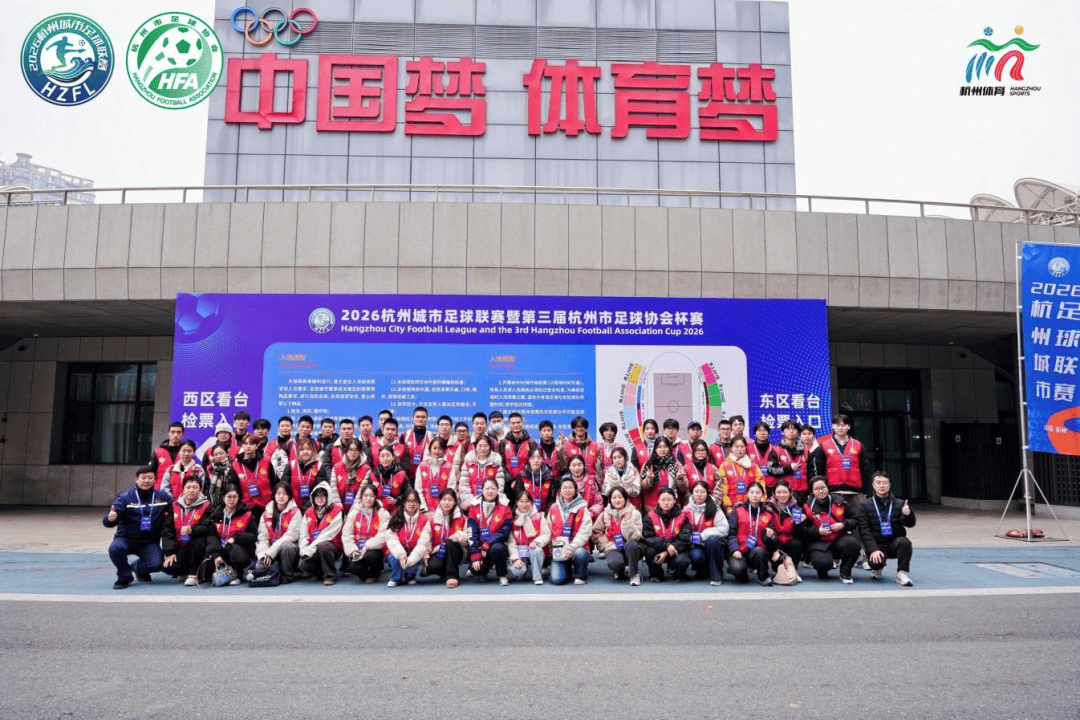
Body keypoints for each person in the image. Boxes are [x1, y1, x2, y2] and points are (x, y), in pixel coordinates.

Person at [105, 466, 170, 589]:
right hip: (126, 538)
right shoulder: (125, 497)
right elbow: (109, 522)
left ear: (155, 480)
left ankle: (138, 569)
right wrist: (110, 519)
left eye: (150, 478)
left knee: (156, 564)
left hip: (149, 541)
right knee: (115, 549)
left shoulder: (162, 497)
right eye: (143, 478)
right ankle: (124, 576)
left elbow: (176, 509)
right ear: (136, 479)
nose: (146, 481)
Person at [856, 471, 916, 586]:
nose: (881, 485)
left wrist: (908, 514)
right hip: (877, 544)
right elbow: (864, 530)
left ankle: (902, 573)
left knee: (905, 542)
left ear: (889, 484)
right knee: (875, 563)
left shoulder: (899, 503)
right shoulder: (865, 505)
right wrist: (873, 549)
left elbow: (910, 524)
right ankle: (877, 568)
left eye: (884, 483)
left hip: (894, 543)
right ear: (873, 485)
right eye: (878, 483)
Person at [803, 477, 860, 584]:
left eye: (823, 487)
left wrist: (843, 524)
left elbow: (854, 519)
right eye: (817, 489)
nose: (820, 491)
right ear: (812, 491)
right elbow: (804, 529)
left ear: (828, 487)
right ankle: (822, 569)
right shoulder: (807, 506)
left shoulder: (840, 501)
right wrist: (817, 531)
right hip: (819, 541)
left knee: (853, 544)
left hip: (839, 537)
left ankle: (845, 573)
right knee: (822, 564)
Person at [160, 476, 213, 586]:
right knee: (169, 567)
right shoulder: (175, 506)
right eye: (188, 487)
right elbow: (167, 530)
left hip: (198, 546)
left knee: (198, 540)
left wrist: (193, 530)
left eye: (195, 487)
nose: (191, 490)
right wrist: (170, 552)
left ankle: (193, 574)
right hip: (180, 545)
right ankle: (184, 571)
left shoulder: (207, 505)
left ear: (200, 490)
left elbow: (208, 527)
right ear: (183, 489)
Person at [726, 481, 776, 585]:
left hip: (756, 550)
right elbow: (731, 533)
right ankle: (739, 571)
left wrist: (769, 537)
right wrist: (735, 549)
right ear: (747, 494)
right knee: (739, 571)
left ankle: (764, 577)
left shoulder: (768, 513)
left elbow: (769, 542)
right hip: (739, 549)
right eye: (752, 492)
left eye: (758, 492)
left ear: (762, 495)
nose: (755, 495)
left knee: (760, 552)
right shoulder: (737, 510)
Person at [466, 478, 514, 586]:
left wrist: (488, 543)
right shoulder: (474, 507)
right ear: (482, 490)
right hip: (480, 545)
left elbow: (504, 532)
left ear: (498, 490)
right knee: (477, 571)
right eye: (487, 488)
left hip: (496, 544)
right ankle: (483, 569)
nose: (490, 491)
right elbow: (472, 533)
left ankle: (502, 575)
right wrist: (475, 554)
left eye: (493, 488)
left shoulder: (505, 507)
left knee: (498, 549)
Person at [592, 486, 644, 585]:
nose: (617, 500)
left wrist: (628, 521)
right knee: (615, 563)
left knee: (632, 544)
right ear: (610, 500)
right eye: (614, 498)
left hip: (631, 546)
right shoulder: (605, 514)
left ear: (625, 499)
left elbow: (636, 537)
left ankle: (634, 575)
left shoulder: (634, 513)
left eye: (620, 497)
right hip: (613, 546)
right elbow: (596, 532)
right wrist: (606, 544)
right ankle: (619, 570)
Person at [205, 484, 255, 584]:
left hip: (238, 548)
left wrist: (236, 538)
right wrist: (216, 555)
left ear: (238, 498)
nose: (232, 499)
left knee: (233, 550)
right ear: (223, 498)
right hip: (220, 547)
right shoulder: (216, 515)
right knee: (207, 551)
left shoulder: (246, 513)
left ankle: (238, 575)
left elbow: (254, 536)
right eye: (229, 496)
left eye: (235, 497)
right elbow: (212, 536)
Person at [547, 476, 593, 585]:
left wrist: (571, 547)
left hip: (577, 547)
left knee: (580, 553)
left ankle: (580, 573)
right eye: (565, 488)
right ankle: (566, 567)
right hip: (559, 548)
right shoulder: (553, 508)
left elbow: (585, 532)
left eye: (570, 488)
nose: (567, 490)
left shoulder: (582, 508)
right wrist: (551, 546)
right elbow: (548, 529)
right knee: (557, 580)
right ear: (560, 490)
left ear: (575, 490)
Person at [297, 481, 344, 585]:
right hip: (312, 546)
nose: (320, 498)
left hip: (331, 546)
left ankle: (330, 576)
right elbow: (303, 534)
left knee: (323, 546)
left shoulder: (337, 511)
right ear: (313, 498)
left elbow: (328, 535)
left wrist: (310, 549)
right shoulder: (308, 512)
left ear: (328, 497)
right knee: (303, 565)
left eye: (323, 495)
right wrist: (304, 550)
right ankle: (319, 573)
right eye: (317, 496)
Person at [819, 414, 872, 504]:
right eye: (837, 425)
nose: (841, 428)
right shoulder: (824, 445)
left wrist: (865, 491)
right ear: (832, 426)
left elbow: (865, 469)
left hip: (855, 491)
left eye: (843, 425)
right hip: (832, 491)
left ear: (849, 426)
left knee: (858, 513)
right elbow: (820, 469)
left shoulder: (858, 445)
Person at [683, 480, 729, 586]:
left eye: (702, 492)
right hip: (695, 545)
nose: (699, 495)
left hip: (712, 544)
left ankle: (716, 575)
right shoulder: (686, 510)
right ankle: (703, 570)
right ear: (692, 493)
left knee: (713, 540)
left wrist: (704, 534)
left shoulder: (714, 508)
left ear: (708, 493)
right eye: (696, 492)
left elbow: (724, 528)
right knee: (696, 556)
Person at [254, 482, 301, 583]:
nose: (281, 496)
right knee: (260, 566)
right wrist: (264, 555)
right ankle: (274, 572)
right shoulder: (266, 513)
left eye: (285, 493)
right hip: (270, 550)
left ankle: (286, 575)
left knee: (287, 546)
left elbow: (291, 536)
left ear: (289, 496)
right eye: (278, 493)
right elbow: (263, 538)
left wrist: (271, 552)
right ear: (274, 495)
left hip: (287, 552)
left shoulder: (295, 512)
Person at [642, 487, 692, 582]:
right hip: (658, 547)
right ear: (658, 501)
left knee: (682, 560)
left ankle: (678, 574)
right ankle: (656, 574)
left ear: (674, 501)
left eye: (669, 500)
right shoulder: (650, 516)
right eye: (663, 500)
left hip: (676, 549)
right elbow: (648, 537)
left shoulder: (683, 517)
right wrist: (666, 545)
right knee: (649, 551)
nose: (666, 503)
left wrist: (667, 551)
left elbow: (685, 539)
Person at [342, 483, 389, 584]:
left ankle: (374, 574)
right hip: (357, 549)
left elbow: (383, 536)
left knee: (371, 556)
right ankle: (362, 575)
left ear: (375, 498)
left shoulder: (382, 513)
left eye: (371, 496)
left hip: (374, 549)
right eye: (365, 496)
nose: (368, 499)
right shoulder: (354, 513)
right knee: (353, 567)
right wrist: (353, 550)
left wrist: (367, 546)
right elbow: (347, 535)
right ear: (361, 497)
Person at [385, 488, 430, 587]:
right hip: (398, 552)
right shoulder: (396, 516)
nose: (411, 504)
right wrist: (401, 555)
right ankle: (396, 577)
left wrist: (410, 560)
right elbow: (391, 539)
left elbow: (422, 544)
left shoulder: (424, 520)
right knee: (393, 557)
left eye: (414, 501)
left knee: (413, 566)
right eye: (408, 501)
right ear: (403, 502)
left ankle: (410, 576)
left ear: (418, 503)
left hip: (414, 552)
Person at [425, 488, 469, 588]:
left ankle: (453, 577)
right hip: (439, 550)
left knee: (450, 543)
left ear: (455, 502)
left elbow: (468, 535)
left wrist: (458, 536)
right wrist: (426, 555)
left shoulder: (462, 518)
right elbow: (427, 539)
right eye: (444, 499)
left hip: (457, 551)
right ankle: (445, 573)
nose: (446, 503)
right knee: (432, 566)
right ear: (440, 501)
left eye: (450, 500)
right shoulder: (432, 519)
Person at [232, 433, 277, 525]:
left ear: (257, 445)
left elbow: (274, 484)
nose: (248, 446)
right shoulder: (236, 465)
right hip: (246, 507)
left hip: (266, 506)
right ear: (242, 445)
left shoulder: (266, 462)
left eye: (252, 444)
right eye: (245, 444)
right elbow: (233, 487)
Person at [508, 490, 551, 585]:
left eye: (527, 501)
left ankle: (537, 576)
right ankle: (522, 569)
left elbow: (546, 534)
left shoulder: (539, 516)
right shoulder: (513, 520)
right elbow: (511, 542)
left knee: (535, 550)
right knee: (518, 572)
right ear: (516, 502)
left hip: (535, 551)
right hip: (520, 552)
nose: (524, 504)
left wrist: (536, 542)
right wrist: (516, 558)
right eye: (521, 501)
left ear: (531, 502)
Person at [767, 480, 807, 578]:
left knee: (796, 544)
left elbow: (800, 535)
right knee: (768, 543)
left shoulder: (797, 509)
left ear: (790, 493)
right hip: (775, 543)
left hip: (790, 542)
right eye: (778, 492)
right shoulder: (768, 509)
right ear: (774, 493)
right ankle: (776, 568)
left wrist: (799, 524)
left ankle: (793, 569)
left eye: (785, 492)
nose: (782, 495)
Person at [716, 436, 765, 513]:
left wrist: (760, 503)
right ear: (731, 448)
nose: (739, 449)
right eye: (736, 447)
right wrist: (728, 508)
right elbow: (722, 489)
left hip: (752, 507)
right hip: (732, 508)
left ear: (746, 448)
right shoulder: (724, 466)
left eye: (742, 446)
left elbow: (761, 485)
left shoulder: (753, 466)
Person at [456, 435, 505, 509]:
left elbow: (499, 486)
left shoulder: (496, 463)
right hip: (471, 503)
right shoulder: (468, 462)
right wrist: (471, 502)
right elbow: (464, 485)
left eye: (486, 446)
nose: (482, 449)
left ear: (490, 447)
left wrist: (489, 501)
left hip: (491, 504)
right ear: (475, 446)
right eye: (480, 446)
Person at [640, 437, 688, 511]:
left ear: (669, 448)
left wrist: (680, 479)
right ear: (655, 449)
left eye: (665, 447)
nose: (662, 450)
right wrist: (648, 480)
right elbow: (641, 487)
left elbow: (684, 489)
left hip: (672, 504)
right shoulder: (649, 465)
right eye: (659, 447)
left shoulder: (676, 464)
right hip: (653, 506)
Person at [283, 437, 331, 509]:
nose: (305, 452)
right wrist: (290, 504)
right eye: (302, 449)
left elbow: (320, 489)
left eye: (308, 449)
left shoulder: (319, 466)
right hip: (291, 506)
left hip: (312, 507)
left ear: (313, 451)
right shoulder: (291, 465)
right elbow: (284, 487)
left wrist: (308, 505)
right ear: (298, 451)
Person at [748, 421, 794, 493]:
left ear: (768, 434)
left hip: (772, 485)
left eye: (764, 431)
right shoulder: (748, 449)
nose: (762, 433)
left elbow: (780, 467)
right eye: (759, 431)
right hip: (754, 486)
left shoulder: (776, 449)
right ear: (754, 433)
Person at [332, 438, 371, 516]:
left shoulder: (366, 469)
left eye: (356, 450)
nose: (353, 453)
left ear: (360, 451)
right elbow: (333, 490)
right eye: (350, 450)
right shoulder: (337, 467)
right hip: (338, 509)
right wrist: (340, 511)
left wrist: (352, 513)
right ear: (346, 451)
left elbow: (361, 493)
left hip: (358, 510)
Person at [416, 437, 455, 512]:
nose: (437, 451)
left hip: (443, 510)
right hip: (425, 509)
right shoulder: (422, 466)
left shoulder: (449, 467)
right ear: (430, 450)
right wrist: (424, 508)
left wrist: (443, 509)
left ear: (444, 450)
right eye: (434, 448)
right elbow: (418, 489)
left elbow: (451, 489)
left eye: (440, 448)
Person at [499, 412, 536, 491]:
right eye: (513, 423)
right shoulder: (503, 443)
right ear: (509, 425)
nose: (516, 425)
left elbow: (534, 463)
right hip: (508, 484)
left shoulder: (531, 443)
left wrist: (520, 480)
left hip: (526, 482)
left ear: (522, 423)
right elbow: (501, 464)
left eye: (518, 422)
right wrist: (510, 480)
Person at [562, 415, 604, 479]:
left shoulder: (595, 445)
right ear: (573, 428)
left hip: (591, 480)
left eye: (582, 426)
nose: (580, 429)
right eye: (577, 426)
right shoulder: (566, 445)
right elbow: (563, 467)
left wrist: (597, 480)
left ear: (586, 428)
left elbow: (599, 467)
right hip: (572, 480)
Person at [371, 444, 408, 515]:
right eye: (382, 456)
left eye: (388, 455)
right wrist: (376, 501)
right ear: (379, 458)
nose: (385, 459)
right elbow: (368, 493)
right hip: (377, 510)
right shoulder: (374, 474)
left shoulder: (401, 474)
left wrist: (397, 500)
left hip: (397, 511)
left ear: (393, 457)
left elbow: (408, 493)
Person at [601, 446, 642, 510]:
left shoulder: (633, 470)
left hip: (632, 504)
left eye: (620, 457)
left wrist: (624, 490)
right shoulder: (609, 472)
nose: (617, 460)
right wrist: (616, 490)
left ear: (625, 457)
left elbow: (637, 489)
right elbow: (605, 490)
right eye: (614, 458)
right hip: (615, 504)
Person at [517, 447, 555, 514]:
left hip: (544, 513)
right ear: (529, 459)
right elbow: (519, 498)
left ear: (542, 459)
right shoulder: (522, 476)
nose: (536, 460)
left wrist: (545, 514)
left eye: (539, 457)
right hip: (526, 513)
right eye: (533, 457)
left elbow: (551, 499)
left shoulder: (549, 477)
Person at [565, 454, 604, 520]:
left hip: (587, 518)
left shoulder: (591, 482)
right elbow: (559, 504)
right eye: (573, 465)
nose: (577, 468)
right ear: (569, 467)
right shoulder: (564, 482)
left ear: (584, 466)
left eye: (579, 465)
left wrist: (590, 514)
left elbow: (599, 503)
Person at [777, 420, 808, 503]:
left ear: (798, 433)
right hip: (784, 491)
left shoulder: (805, 450)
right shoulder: (776, 450)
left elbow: (811, 470)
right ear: (783, 432)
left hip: (803, 490)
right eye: (788, 429)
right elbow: (771, 470)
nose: (791, 431)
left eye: (794, 429)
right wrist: (788, 468)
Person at [151, 421, 185, 490]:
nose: (175, 435)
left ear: (182, 434)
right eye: (173, 432)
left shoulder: (186, 452)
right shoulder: (157, 452)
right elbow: (151, 473)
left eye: (178, 432)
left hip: (179, 491)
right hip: (160, 490)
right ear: (168, 433)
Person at [797, 425, 826, 505]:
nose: (807, 436)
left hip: (816, 485)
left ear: (813, 435)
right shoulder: (796, 450)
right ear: (799, 436)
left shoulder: (820, 449)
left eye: (809, 434)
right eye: (804, 434)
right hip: (800, 486)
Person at [402, 406, 431, 481]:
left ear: (427, 419)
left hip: (425, 475)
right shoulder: (405, 435)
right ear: (413, 418)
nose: (420, 419)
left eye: (423, 417)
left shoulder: (431, 436)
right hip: (407, 475)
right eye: (417, 417)